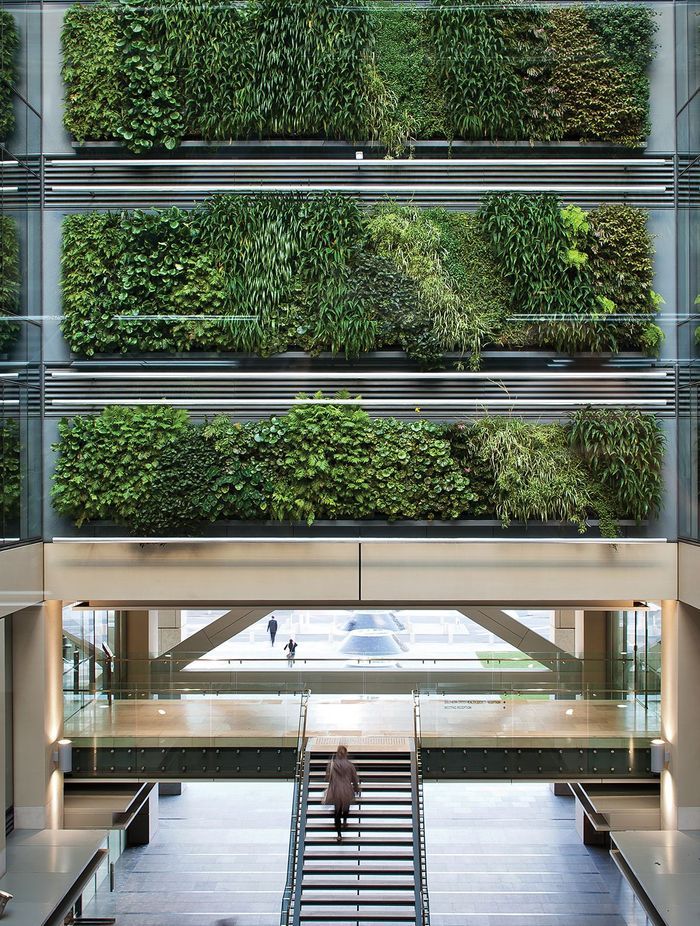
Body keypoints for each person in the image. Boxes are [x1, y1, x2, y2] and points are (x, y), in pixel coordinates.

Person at [323, 745, 360, 842]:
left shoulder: (333, 764)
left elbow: (327, 778)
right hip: (347, 791)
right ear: (346, 754)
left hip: (336, 791)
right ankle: (345, 821)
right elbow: (355, 779)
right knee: (346, 808)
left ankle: (339, 834)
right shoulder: (350, 765)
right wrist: (356, 789)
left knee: (337, 813)